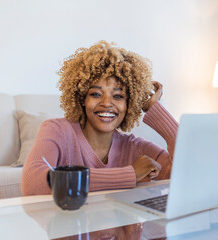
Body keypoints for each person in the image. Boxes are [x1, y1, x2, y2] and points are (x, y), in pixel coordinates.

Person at [21, 41, 178, 195]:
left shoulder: (135, 147)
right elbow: (33, 183)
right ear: (82, 98)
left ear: (128, 104)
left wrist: (155, 109)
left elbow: (191, 171)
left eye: (117, 96)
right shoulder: (57, 130)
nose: (106, 103)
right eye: (96, 94)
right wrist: (129, 175)